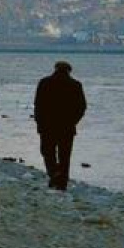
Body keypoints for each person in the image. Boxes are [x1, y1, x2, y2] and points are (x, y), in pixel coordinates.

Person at [33, 61, 87, 191]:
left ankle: (54, 174)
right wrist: (73, 121)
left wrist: (39, 122)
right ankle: (62, 183)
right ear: (69, 71)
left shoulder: (45, 82)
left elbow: (38, 104)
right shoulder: (75, 85)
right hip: (67, 127)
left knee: (47, 152)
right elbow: (82, 107)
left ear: (55, 69)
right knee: (65, 155)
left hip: (47, 125)